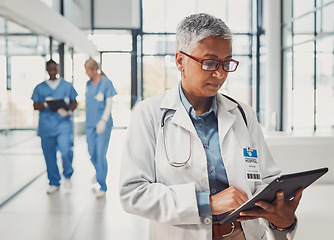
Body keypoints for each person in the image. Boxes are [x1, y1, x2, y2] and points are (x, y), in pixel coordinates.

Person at [119, 13, 303, 240]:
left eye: (227, 63)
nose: (220, 74)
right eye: (209, 63)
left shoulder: (242, 114)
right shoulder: (149, 114)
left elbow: (264, 181)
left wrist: (282, 220)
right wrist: (208, 203)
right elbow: (133, 193)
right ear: (180, 61)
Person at [32, 59, 78, 194]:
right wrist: (46, 104)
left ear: (58, 69)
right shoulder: (40, 87)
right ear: (47, 70)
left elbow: (74, 102)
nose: (52, 72)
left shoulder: (67, 86)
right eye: (50, 69)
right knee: (49, 156)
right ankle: (54, 182)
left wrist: (68, 110)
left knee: (66, 151)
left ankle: (68, 175)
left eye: (54, 69)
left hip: (63, 124)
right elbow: (35, 105)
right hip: (46, 126)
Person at [84, 59, 117, 199]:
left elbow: (109, 103)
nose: (86, 73)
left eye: (87, 70)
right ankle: (99, 172)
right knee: (92, 152)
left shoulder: (106, 82)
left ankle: (103, 186)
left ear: (93, 70)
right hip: (90, 123)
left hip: (103, 124)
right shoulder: (88, 84)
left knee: (100, 154)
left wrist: (103, 121)